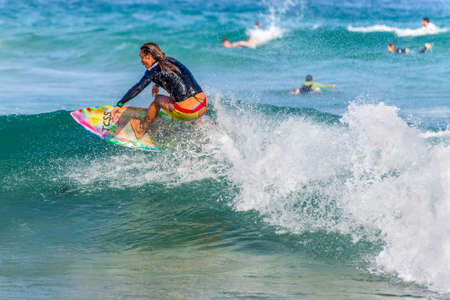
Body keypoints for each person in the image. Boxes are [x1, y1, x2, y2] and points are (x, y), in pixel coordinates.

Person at [111, 42, 207, 139]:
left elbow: (138, 87)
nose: (141, 61)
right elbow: (177, 78)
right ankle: (198, 129)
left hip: (188, 112)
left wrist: (120, 104)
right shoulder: (171, 60)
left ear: (149, 56)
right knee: (179, 96)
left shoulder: (153, 72)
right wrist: (157, 84)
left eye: (142, 57)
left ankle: (141, 131)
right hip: (203, 105)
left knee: (158, 99)